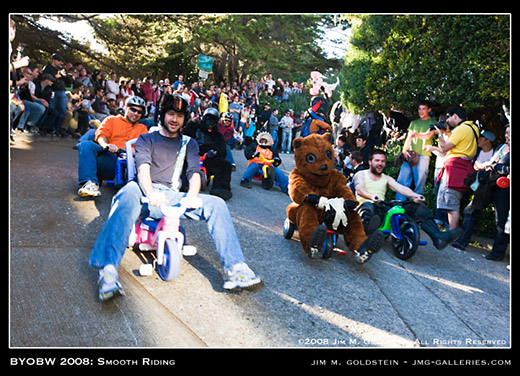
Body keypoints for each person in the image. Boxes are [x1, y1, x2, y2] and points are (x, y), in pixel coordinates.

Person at [90, 94, 263, 300]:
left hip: (172, 195)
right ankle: (108, 271)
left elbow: (194, 173)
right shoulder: (147, 138)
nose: (174, 119)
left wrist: (191, 195)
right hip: (144, 192)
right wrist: (151, 193)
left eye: (179, 116)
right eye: (170, 114)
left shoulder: (189, 143)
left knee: (216, 203)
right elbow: (143, 168)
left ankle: (236, 268)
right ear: (163, 114)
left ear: (185, 119)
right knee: (126, 193)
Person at [354, 149, 461, 250]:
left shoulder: (386, 178)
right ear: (370, 162)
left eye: (382, 161)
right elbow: (359, 189)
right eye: (377, 160)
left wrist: (415, 196)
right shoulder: (361, 174)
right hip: (366, 208)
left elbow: (401, 188)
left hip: (381, 207)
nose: (380, 164)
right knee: (369, 206)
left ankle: (438, 237)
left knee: (418, 208)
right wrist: (371, 196)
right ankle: (366, 232)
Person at [453, 126, 509, 260]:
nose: (507, 136)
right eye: (506, 132)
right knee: (470, 210)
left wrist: (497, 167)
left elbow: (502, 167)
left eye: (509, 133)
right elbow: (492, 161)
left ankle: (497, 253)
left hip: (504, 188)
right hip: (488, 185)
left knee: (501, 220)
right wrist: (485, 165)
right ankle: (462, 241)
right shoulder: (502, 147)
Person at [77, 96, 149, 198]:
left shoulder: (142, 128)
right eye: (133, 110)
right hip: (110, 156)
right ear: (126, 108)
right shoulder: (111, 120)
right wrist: (106, 145)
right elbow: (101, 135)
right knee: (86, 145)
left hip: (129, 162)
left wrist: (133, 151)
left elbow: (146, 147)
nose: (136, 114)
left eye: (139, 112)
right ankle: (90, 183)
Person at [434, 106, 479, 230]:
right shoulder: (473, 128)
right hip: (463, 168)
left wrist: (440, 135)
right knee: (453, 203)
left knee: (451, 205)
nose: (447, 121)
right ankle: (452, 232)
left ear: (455, 116)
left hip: (454, 170)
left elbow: (444, 149)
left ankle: (452, 234)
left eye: (448, 117)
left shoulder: (461, 129)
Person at [395, 101, 436, 200]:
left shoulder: (433, 122)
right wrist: (404, 151)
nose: (421, 111)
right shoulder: (414, 123)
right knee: (402, 181)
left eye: (424, 109)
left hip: (423, 155)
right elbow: (408, 138)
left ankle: (416, 207)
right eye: (419, 109)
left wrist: (415, 135)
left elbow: (428, 136)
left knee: (419, 184)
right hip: (410, 155)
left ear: (429, 110)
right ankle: (399, 205)